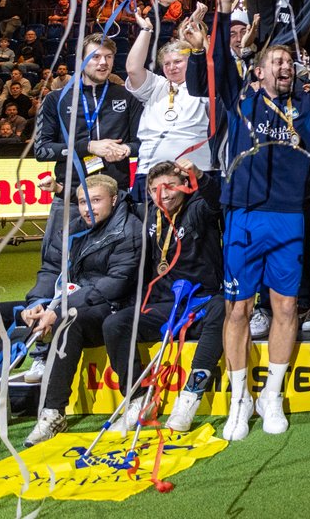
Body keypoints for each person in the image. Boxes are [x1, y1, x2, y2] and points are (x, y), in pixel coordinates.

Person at [188, 0, 310, 441]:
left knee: (285, 306)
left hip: (289, 217)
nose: (283, 66)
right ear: (257, 69)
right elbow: (216, 63)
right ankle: (240, 401)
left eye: (288, 61)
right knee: (237, 310)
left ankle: (271, 395)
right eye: (273, 60)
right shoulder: (240, 99)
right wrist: (221, 8)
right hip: (242, 215)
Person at [13, 174, 143, 444]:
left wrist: (59, 308)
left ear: (114, 199)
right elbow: (51, 269)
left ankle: (53, 412)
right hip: (66, 300)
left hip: (109, 306)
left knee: (67, 321)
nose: (88, 208)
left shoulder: (128, 229)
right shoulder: (74, 228)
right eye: (83, 201)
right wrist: (37, 303)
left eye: (96, 201)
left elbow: (115, 284)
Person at [102, 161, 225, 434]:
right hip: (162, 305)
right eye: (156, 188)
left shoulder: (199, 208)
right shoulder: (147, 215)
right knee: (115, 324)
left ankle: (190, 397)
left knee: (222, 307)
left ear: (183, 186)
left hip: (199, 301)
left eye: (170, 186)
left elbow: (217, 200)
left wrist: (198, 175)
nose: (164, 194)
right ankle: (138, 399)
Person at [32, 33, 141, 196]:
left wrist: (125, 149)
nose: (103, 63)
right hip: (70, 194)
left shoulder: (127, 96)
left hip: (117, 193)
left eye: (108, 57)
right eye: (95, 56)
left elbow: (142, 144)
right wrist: (88, 147)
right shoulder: (56, 99)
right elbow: (41, 150)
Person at [127, 5, 214, 206]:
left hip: (197, 170)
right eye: (167, 63)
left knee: (196, 233)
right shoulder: (156, 85)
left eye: (178, 62)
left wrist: (198, 37)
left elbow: (211, 64)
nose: (172, 67)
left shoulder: (204, 86)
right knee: (149, 234)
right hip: (150, 172)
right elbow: (132, 69)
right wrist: (146, 30)